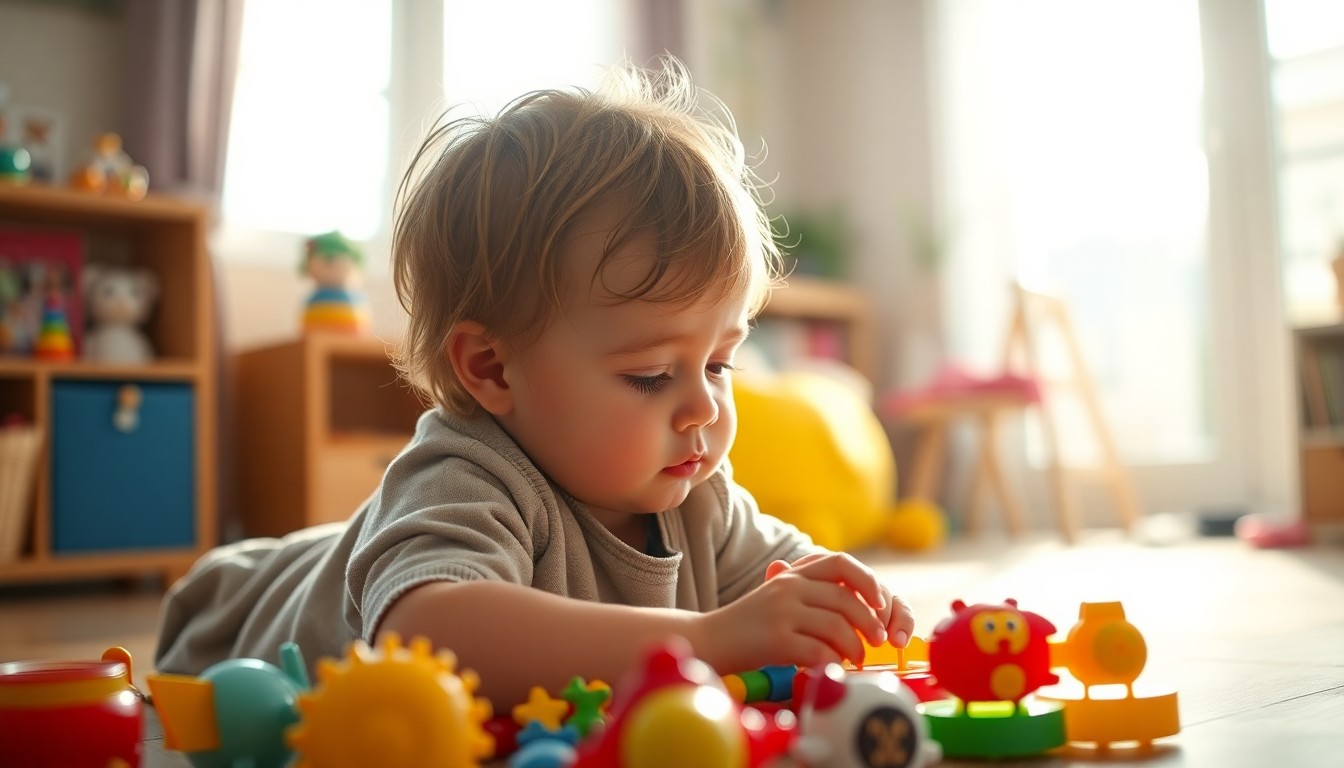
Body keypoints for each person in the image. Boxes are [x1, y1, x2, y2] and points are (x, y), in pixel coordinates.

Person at [155, 57, 914, 709]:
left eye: (720, 363)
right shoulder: (466, 474)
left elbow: (779, 574)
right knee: (344, 558)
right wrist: (711, 638)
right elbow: (430, 633)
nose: (704, 407)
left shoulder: (698, 495)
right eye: (652, 375)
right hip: (234, 628)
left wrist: (831, 593)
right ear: (490, 369)